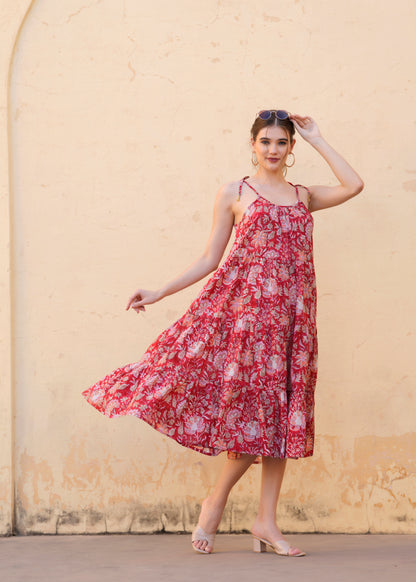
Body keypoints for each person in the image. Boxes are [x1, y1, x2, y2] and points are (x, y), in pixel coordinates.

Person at [82, 109, 364, 557]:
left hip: (293, 321)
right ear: (252, 144)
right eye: (265, 141)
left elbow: (353, 185)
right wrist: (158, 291)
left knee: (282, 418)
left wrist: (318, 138)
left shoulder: (302, 195)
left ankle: (265, 522)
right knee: (251, 418)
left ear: (291, 149)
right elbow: (210, 258)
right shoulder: (235, 192)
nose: (273, 149)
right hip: (247, 321)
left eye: (282, 142)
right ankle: (215, 503)